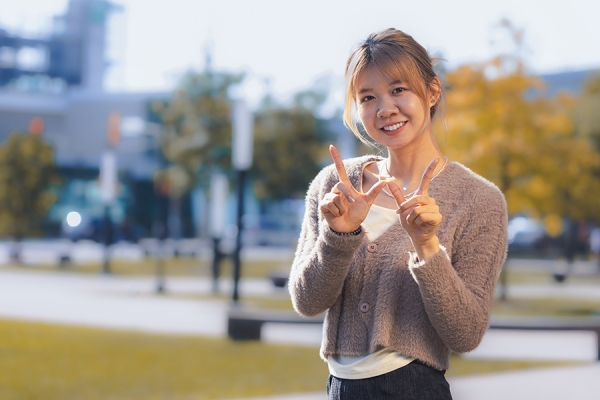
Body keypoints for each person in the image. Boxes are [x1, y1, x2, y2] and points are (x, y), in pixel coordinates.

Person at [289, 28, 508, 400]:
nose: (384, 108)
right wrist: (338, 238)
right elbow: (307, 302)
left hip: (413, 387)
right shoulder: (335, 185)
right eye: (367, 97)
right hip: (339, 388)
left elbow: (467, 333)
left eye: (398, 90)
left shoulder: (479, 200)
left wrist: (426, 246)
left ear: (432, 91)